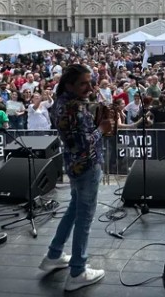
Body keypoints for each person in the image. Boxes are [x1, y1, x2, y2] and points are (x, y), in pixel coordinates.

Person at [40, 64, 111, 291]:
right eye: (83, 83)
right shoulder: (76, 109)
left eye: (90, 82)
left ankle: (54, 254)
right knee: (84, 217)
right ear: (69, 84)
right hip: (87, 166)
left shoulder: (61, 102)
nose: (89, 87)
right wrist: (102, 128)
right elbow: (84, 142)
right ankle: (78, 271)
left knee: (73, 208)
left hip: (72, 165)